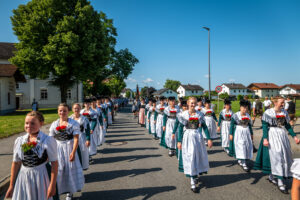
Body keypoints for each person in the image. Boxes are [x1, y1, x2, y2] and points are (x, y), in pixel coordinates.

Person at [5, 111, 58, 200]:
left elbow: (54, 163)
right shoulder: (20, 140)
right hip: (24, 176)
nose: (29, 126)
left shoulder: (47, 140)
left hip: (41, 176)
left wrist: (52, 185)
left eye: (33, 123)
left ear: (41, 123)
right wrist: (11, 185)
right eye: (26, 123)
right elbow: (16, 163)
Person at [254, 97, 299, 194]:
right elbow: (265, 127)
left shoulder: (284, 112)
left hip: (282, 135)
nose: (283, 104)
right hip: (272, 134)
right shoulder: (268, 113)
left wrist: (294, 136)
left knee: (284, 156)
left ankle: (272, 176)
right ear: (275, 103)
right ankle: (280, 181)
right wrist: (265, 139)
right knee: (276, 157)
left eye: (283, 102)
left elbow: (287, 125)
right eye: (281, 102)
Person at [177, 97, 212, 192]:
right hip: (188, 137)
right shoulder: (183, 114)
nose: (193, 105)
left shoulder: (200, 114)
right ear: (188, 103)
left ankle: (195, 174)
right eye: (191, 103)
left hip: (198, 137)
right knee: (190, 157)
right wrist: (179, 141)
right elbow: (180, 128)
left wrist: (208, 139)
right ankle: (192, 181)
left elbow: (204, 127)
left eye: (195, 103)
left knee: (197, 156)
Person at [49, 103, 84, 200]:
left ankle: (70, 192)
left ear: (68, 112)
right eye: (60, 110)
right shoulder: (54, 124)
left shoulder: (73, 123)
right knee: (59, 170)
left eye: (64, 110)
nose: (62, 112)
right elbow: (51, 139)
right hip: (58, 148)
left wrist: (73, 152)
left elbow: (76, 139)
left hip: (69, 148)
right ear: (58, 112)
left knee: (69, 170)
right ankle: (58, 190)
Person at [229, 99, 254, 172]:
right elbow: (232, 125)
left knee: (246, 146)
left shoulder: (248, 115)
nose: (245, 109)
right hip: (239, 132)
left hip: (246, 132)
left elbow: (249, 125)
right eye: (243, 108)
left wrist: (251, 134)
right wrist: (231, 134)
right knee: (241, 146)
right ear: (240, 108)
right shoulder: (236, 115)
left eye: (246, 108)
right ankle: (244, 163)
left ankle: (241, 159)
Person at [70, 103, 90, 170]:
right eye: (75, 108)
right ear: (72, 109)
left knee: (82, 153)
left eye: (78, 108)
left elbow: (87, 130)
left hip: (81, 137)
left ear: (80, 109)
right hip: (72, 139)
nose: (76, 110)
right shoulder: (69, 119)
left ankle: (82, 168)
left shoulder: (84, 119)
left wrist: (88, 139)